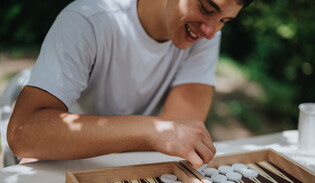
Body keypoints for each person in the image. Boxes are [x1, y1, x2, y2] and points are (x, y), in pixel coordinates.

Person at [7, 0, 252, 168]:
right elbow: (24, 133)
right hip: (56, 164)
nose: (211, 31)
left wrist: (59, 144)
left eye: (225, 20)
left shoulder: (204, 36)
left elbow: (180, 135)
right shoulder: (88, 19)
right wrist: (151, 131)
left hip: (83, 159)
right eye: (206, 7)